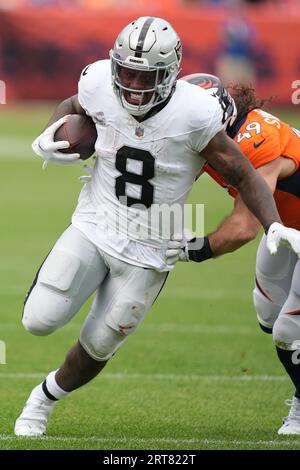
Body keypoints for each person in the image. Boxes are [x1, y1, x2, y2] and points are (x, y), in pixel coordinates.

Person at [14, 17, 297, 437]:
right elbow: (75, 108)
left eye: (145, 76)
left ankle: (42, 400)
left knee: (103, 342)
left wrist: (204, 244)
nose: (132, 85)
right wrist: (50, 134)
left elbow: (244, 190)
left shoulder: (199, 117)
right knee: (39, 319)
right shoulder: (97, 83)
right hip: (96, 223)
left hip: (151, 246)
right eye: (126, 72)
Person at [175, 72, 300, 435]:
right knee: (267, 314)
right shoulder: (217, 133)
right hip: (286, 229)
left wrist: (191, 250)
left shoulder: (254, 140)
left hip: (280, 226)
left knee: (288, 332)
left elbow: (244, 226)